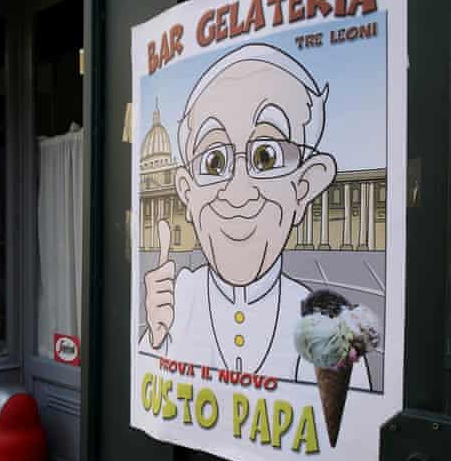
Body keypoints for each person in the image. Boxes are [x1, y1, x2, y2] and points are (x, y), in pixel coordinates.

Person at [140, 43, 371, 388]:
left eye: (266, 156)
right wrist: (157, 338)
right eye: (214, 162)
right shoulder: (177, 296)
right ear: (187, 192)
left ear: (304, 186)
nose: (238, 193)